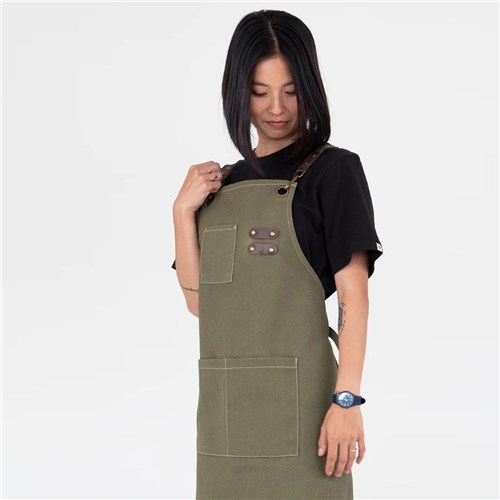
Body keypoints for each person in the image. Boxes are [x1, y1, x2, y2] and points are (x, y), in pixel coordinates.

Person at [171, 9, 383, 499]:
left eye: (290, 91)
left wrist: (347, 399)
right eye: (260, 92)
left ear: (309, 88)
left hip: (307, 418)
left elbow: (353, 294)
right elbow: (201, 304)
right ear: (237, 92)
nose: (277, 108)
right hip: (223, 421)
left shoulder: (333, 172)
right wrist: (181, 213)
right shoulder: (220, 188)